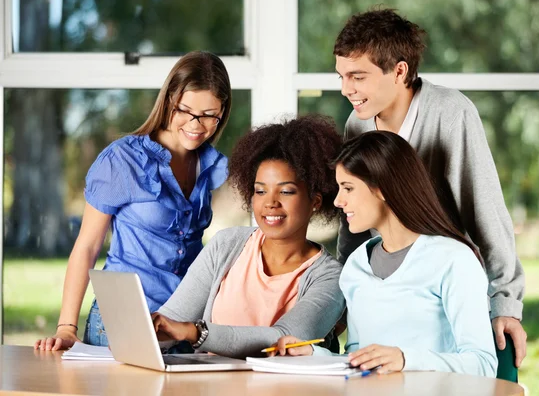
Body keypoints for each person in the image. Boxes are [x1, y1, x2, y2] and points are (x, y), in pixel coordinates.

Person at [333, 8, 526, 366]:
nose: (347, 89)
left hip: (445, 283)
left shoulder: (451, 113)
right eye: (342, 76)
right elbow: (352, 222)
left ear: (400, 71)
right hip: (391, 280)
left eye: (357, 76)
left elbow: (484, 209)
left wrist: (505, 302)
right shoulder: (357, 123)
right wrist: (344, 296)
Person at [35, 51, 232, 351]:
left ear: (222, 112)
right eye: (186, 110)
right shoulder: (123, 161)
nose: (196, 124)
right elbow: (87, 246)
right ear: (169, 102)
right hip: (121, 323)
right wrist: (66, 327)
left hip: (182, 328)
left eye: (209, 115)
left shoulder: (210, 165)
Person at [272, 131, 498, 377]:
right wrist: (312, 355)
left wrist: (405, 359)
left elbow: (483, 364)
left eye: (348, 188)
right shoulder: (356, 265)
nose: (338, 200)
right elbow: (360, 359)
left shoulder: (454, 260)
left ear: (382, 187)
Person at [150, 115, 346, 358]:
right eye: (260, 191)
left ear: (315, 201)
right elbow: (173, 321)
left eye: (286, 191)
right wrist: (148, 331)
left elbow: (284, 338)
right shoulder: (226, 245)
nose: (270, 203)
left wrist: (195, 332)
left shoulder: (331, 276)